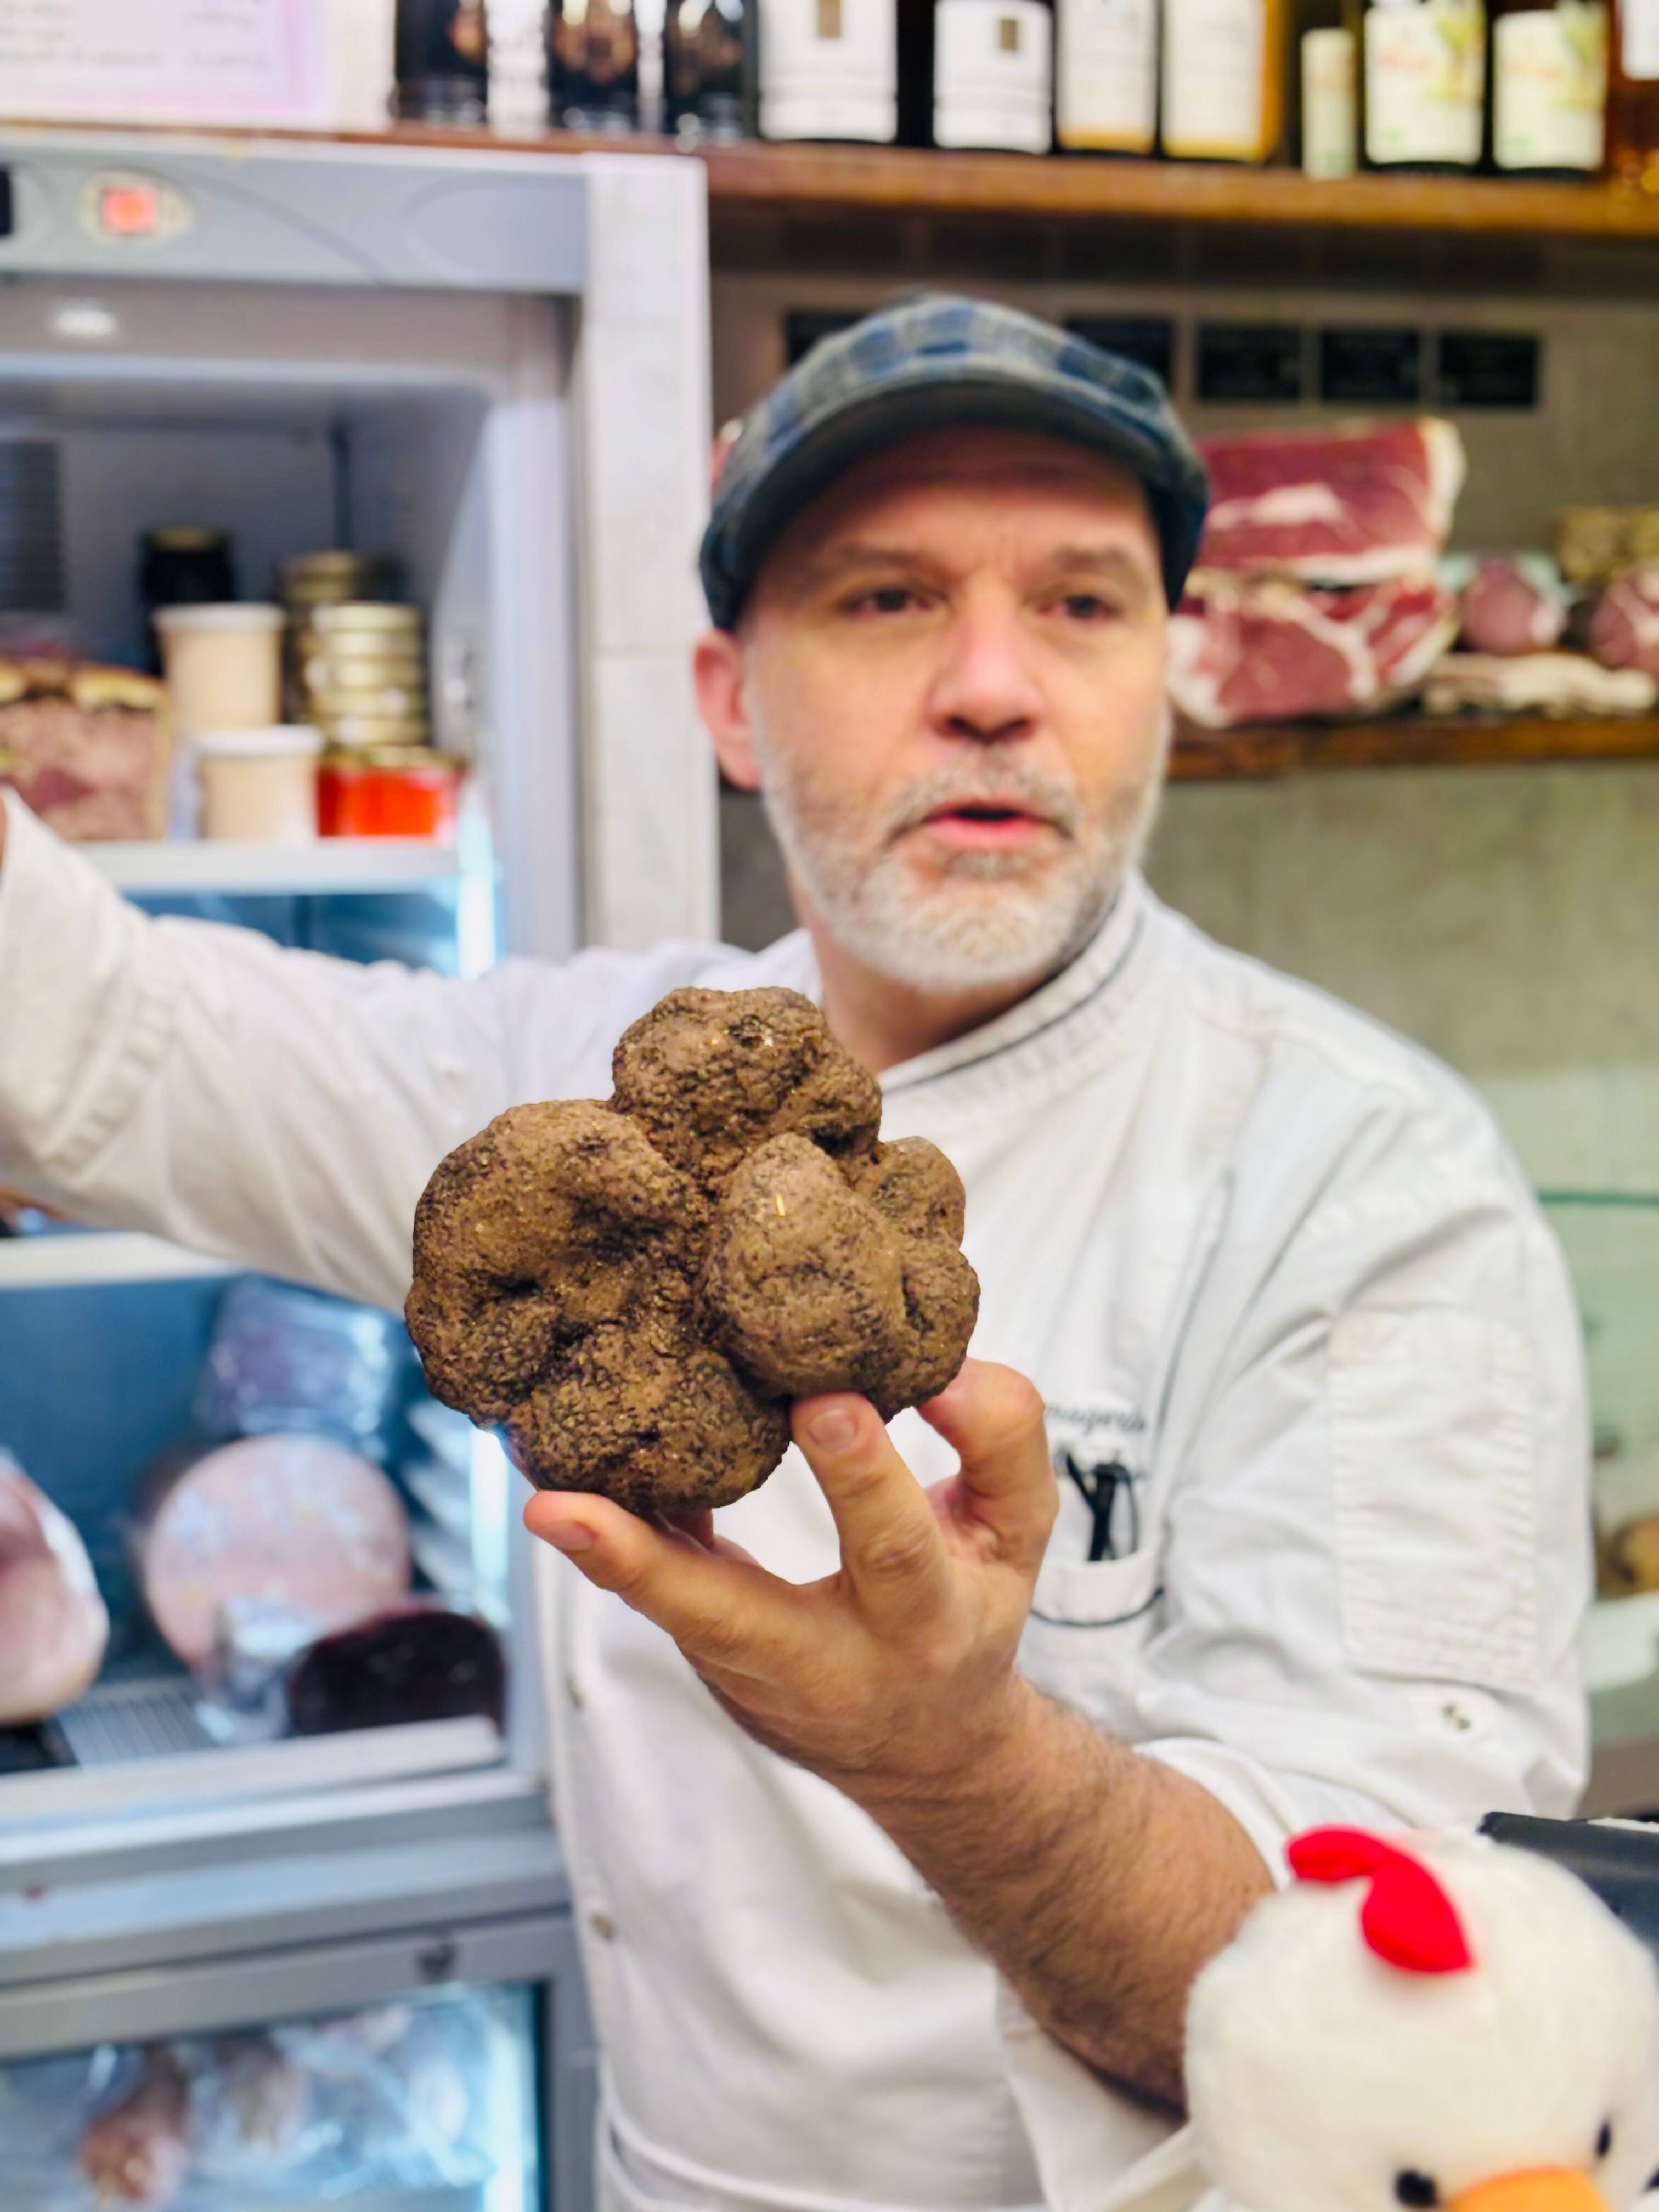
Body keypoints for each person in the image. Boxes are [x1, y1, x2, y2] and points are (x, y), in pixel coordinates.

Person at [0, 296, 1589, 2212]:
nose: (995, 683)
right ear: (730, 699)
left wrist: (954, 1757)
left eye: (1082, 603)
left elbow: (1390, 2017)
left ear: (1173, 668)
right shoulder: (570, 1098)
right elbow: (102, 1043)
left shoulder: (1365, 1183)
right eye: (886, 599)